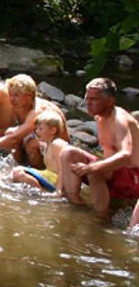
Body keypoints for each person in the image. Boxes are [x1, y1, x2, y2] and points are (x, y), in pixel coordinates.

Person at [59, 78, 139, 222]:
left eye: (94, 99)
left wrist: (93, 167)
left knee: (95, 170)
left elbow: (126, 155)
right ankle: (75, 205)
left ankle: (102, 219)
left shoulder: (119, 119)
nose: (88, 103)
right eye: (87, 98)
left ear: (110, 101)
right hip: (114, 174)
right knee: (68, 153)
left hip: (133, 177)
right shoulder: (99, 116)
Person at [0, 74, 68, 165]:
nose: (12, 99)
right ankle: (18, 165)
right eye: (11, 94)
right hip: (38, 136)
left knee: (31, 144)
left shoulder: (37, 110)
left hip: (56, 148)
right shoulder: (19, 104)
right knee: (9, 132)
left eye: (16, 95)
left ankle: (36, 172)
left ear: (29, 96)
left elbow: (16, 137)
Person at [11, 110, 69, 193]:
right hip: (48, 174)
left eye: (40, 129)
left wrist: (58, 190)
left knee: (19, 175)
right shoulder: (46, 145)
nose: (37, 132)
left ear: (53, 130)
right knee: (14, 171)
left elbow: (62, 169)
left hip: (55, 179)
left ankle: (42, 193)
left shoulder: (57, 144)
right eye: (36, 128)